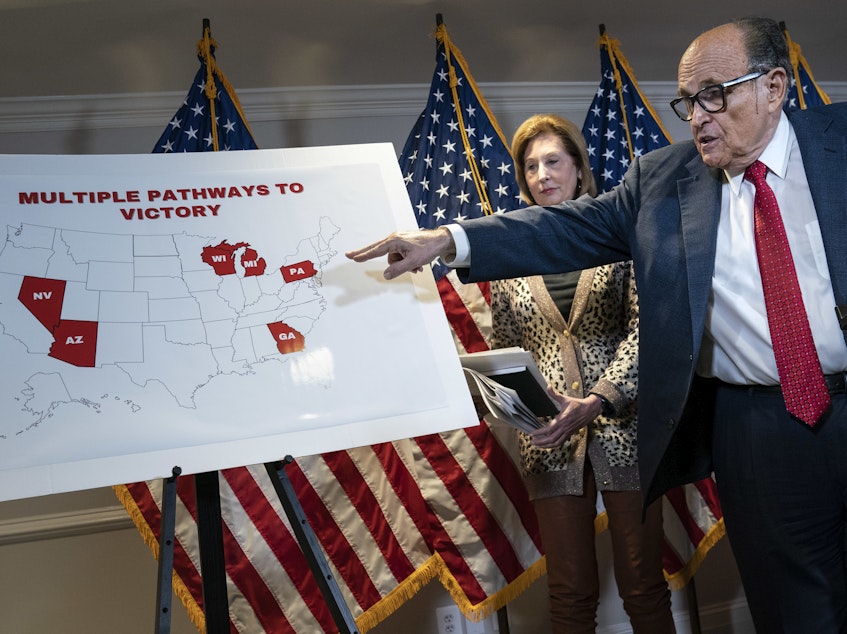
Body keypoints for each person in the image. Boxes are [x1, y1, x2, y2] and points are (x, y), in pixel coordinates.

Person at [348, 16, 847, 634]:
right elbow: (562, 228)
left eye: (715, 94)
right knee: (796, 609)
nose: (697, 116)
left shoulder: (839, 140)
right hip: (759, 427)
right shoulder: (663, 182)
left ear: (774, 87)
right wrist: (446, 239)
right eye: (688, 101)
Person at [489, 113, 673, 633]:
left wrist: (598, 398)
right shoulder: (510, 252)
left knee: (644, 585)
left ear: (577, 168)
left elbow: (647, 328)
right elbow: (503, 348)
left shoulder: (618, 236)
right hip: (548, 440)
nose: (542, 174)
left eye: (553, 161)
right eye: (530, 166)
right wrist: (522, 410)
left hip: (625, 429)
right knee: (569, 592)